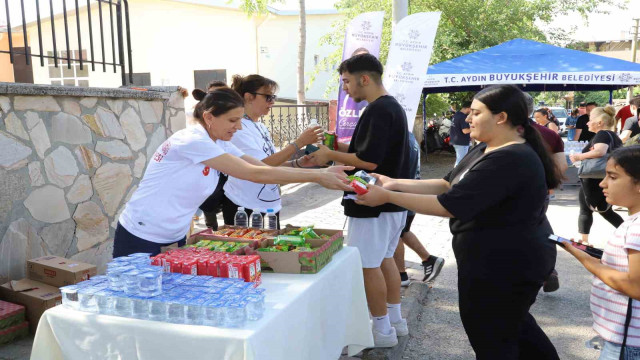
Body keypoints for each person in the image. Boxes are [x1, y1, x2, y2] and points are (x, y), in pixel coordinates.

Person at [355, 84, 561, 359]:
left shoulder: (511, 158)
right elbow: (446, 184)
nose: (468, 118)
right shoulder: (487, 148)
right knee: (515, 327)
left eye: (476, 113)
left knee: (492, 337)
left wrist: (386, 197)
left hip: (505, 265)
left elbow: (449, 205)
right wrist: (394, 183)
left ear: (501, 117)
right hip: (491, 260)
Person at [113, 88, 352, 257]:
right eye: (232, 120)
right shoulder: (193, 140)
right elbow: (252, 174)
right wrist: (319, 177)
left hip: (174, 235)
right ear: (208, 117)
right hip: (142, 233)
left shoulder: (219, 141)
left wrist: (301, 165)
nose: (238, 127)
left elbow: (260, 167)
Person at [308, 54, 411, 348]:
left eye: (346, 81)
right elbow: (369, 151)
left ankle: (380, 330)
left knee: (367, 266)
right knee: (384, 259)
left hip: (372, 202)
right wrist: (337, 146)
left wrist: (329, 156)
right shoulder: (389, 107)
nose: (345, 89)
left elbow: (369, 161)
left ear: (364, 78)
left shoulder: (379, 110)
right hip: (390, 202)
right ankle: (394, 322)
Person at [561, 146, 640, 360]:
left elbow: (635, 286)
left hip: (627, 343)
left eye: (612, 177)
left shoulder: (637, 227)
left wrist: (586, 260)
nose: (602, 183)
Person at [221, 74, 324, 229]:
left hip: (268, 204)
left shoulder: (260, 126)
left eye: (273, 97)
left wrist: (297, 163)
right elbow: (261, 166)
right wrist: (299, 143)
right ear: (249, 97)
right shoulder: (238, 128)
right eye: (268, 97)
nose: (272, 102)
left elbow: (271, 163)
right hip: (245, 206)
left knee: (268, 250)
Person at [394, 132, 445, 286]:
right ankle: (429, 259)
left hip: (404, 196)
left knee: (395, 234)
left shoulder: (400, 137)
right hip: (408, 194)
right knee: (402, 232)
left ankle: (401, 275)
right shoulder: (407, 135)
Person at [569, 106, 624, 244]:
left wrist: (578, 156)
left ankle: (584, 241)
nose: (587, 123)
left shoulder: (602, 134)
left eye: (590, 119)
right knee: (606, 211)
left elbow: (600, 151)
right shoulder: (614, 136)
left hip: (593, 179)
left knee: (585, 210)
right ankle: (628, 233)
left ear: (599, 122)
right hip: (607, 177)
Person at [196, 80, 231, 230]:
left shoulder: (225, 138)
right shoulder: (196, 138)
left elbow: (249, 165)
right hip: (209, 177)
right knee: (209, 210)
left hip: (227, 177)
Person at [449, 101, 472, 167]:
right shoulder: (463, 117)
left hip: (455, 141)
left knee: (459, 160)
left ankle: (455, 175)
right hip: (461, 141)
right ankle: (456, 175)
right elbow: (465, 131)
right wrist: (475, 129)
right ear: (468, 108)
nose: (471, 111)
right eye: (471, 109)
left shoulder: (456, 115)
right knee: (461, 161)